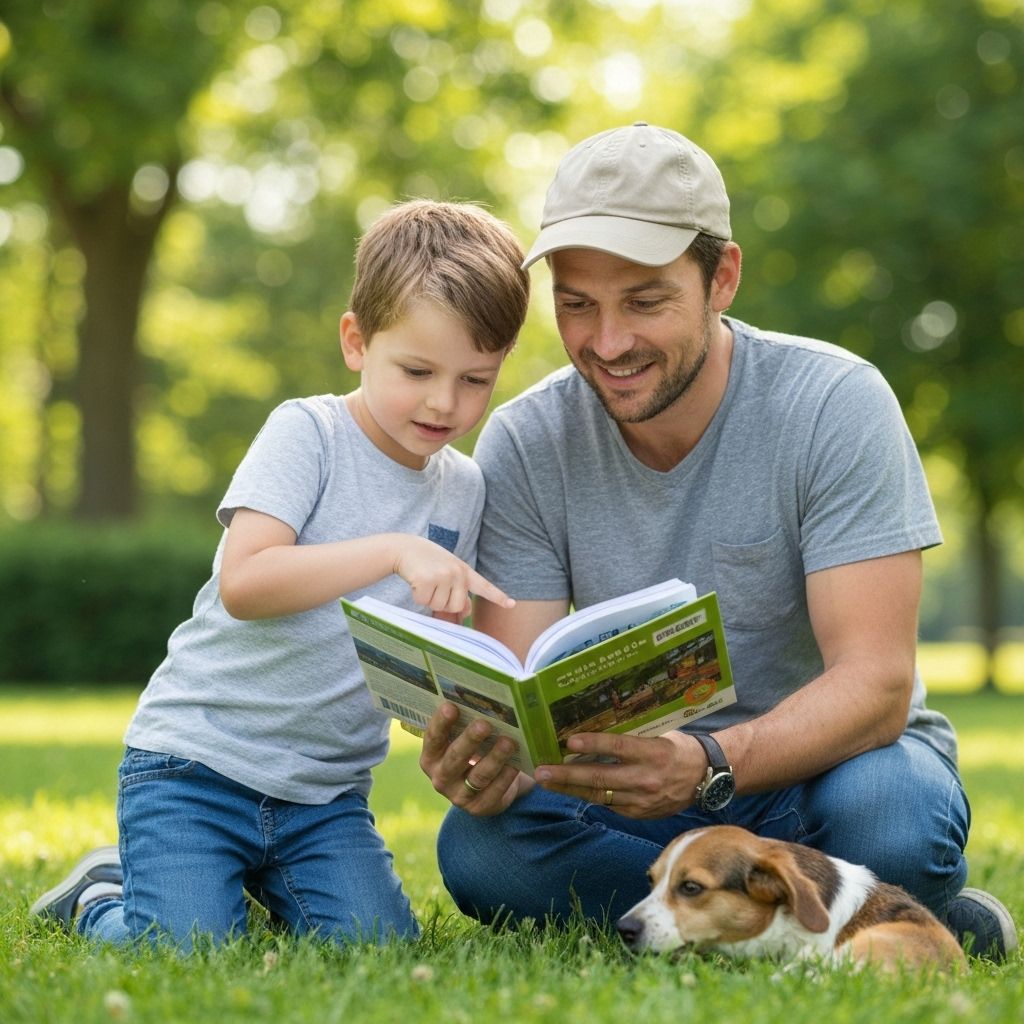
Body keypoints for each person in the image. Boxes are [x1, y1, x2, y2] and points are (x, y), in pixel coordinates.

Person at [419, 122, 1018, 961]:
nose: (608, 342)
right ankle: (848, 924)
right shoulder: (525, 441)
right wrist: (485, 761)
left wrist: (707, 761)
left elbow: (878, 683)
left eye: (646, 301)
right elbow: (524, 710)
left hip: (828, 777)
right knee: (484, 850)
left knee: (893, 820)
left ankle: (802, 909)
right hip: (641, 804)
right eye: (577, 303)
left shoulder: (835, 403)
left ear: (722, 278)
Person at [30, 199, 530, 950]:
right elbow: (247, 581)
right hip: (195, 769)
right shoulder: (310, 433)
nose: (444, 402)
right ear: (356, 341)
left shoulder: (463, 487)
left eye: (475, 380)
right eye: (418, 370)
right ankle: (101, 897)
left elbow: (409, 636)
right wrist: (393, 550)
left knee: (379, 950)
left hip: (324, 796)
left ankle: (256, 883)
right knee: (187, 950)